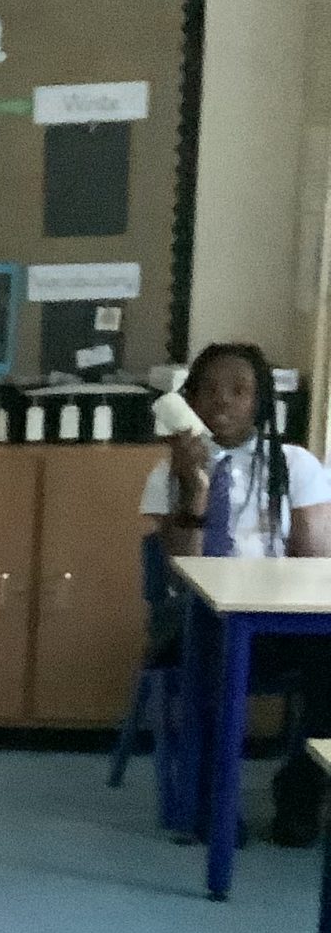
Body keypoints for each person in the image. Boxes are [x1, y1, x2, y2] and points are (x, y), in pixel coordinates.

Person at [142, 341, 331, 842]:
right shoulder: (168, 473)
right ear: (190, 400)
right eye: (208, 390)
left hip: (277, 622)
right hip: (199, 621)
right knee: (210, 646)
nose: (222, 401)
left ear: (260, 403)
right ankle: (212, 799)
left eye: (239, 391)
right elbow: (181, 569)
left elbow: (316, 565)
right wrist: (195, 487)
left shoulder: (294, 464)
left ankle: (301, 793)